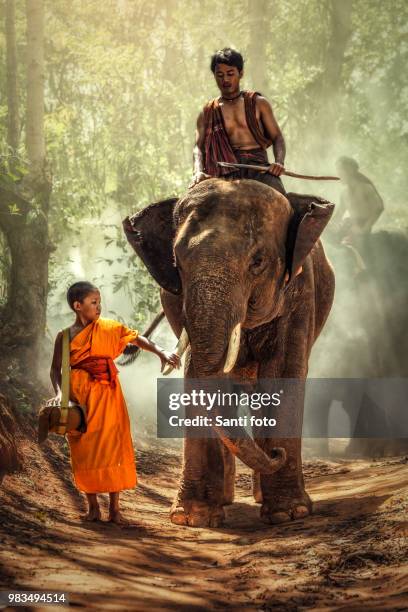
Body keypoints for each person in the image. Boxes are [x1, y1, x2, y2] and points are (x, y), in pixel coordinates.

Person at [49, 281, 180, 525]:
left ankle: (115, 509)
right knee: (84, 450)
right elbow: (56, 370)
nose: (99, 307)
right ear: (78, 306)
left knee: (113, 446)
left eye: (99, 301)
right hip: (81, 398)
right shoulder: (65, 336)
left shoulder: (108, 328)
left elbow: (137, 338)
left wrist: (161, 352)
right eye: (93, 302)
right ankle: (92, 508)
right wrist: (60, 394)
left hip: (108, 395)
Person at [189, 47, 286, 195]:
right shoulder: (207, 112)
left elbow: (277, 137)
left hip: (259, 170)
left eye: (230, 74)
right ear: (214, 76)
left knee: (284, 205)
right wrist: (197, 172)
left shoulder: (259, 103)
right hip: (222, 174)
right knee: (192, 206)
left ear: (241, 73)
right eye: (220, 75)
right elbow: (198, 148)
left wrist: (279, 162)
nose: (225, 80)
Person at [335, 156, 384, 243]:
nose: (338, 174)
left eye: (340, 170)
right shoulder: (344, 193)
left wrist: (364, 229)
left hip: (362, 229)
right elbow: (339, 214)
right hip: (349, 227)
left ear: (350, 171)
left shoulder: (365, 188)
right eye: (337, 170)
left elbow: (379, 208)